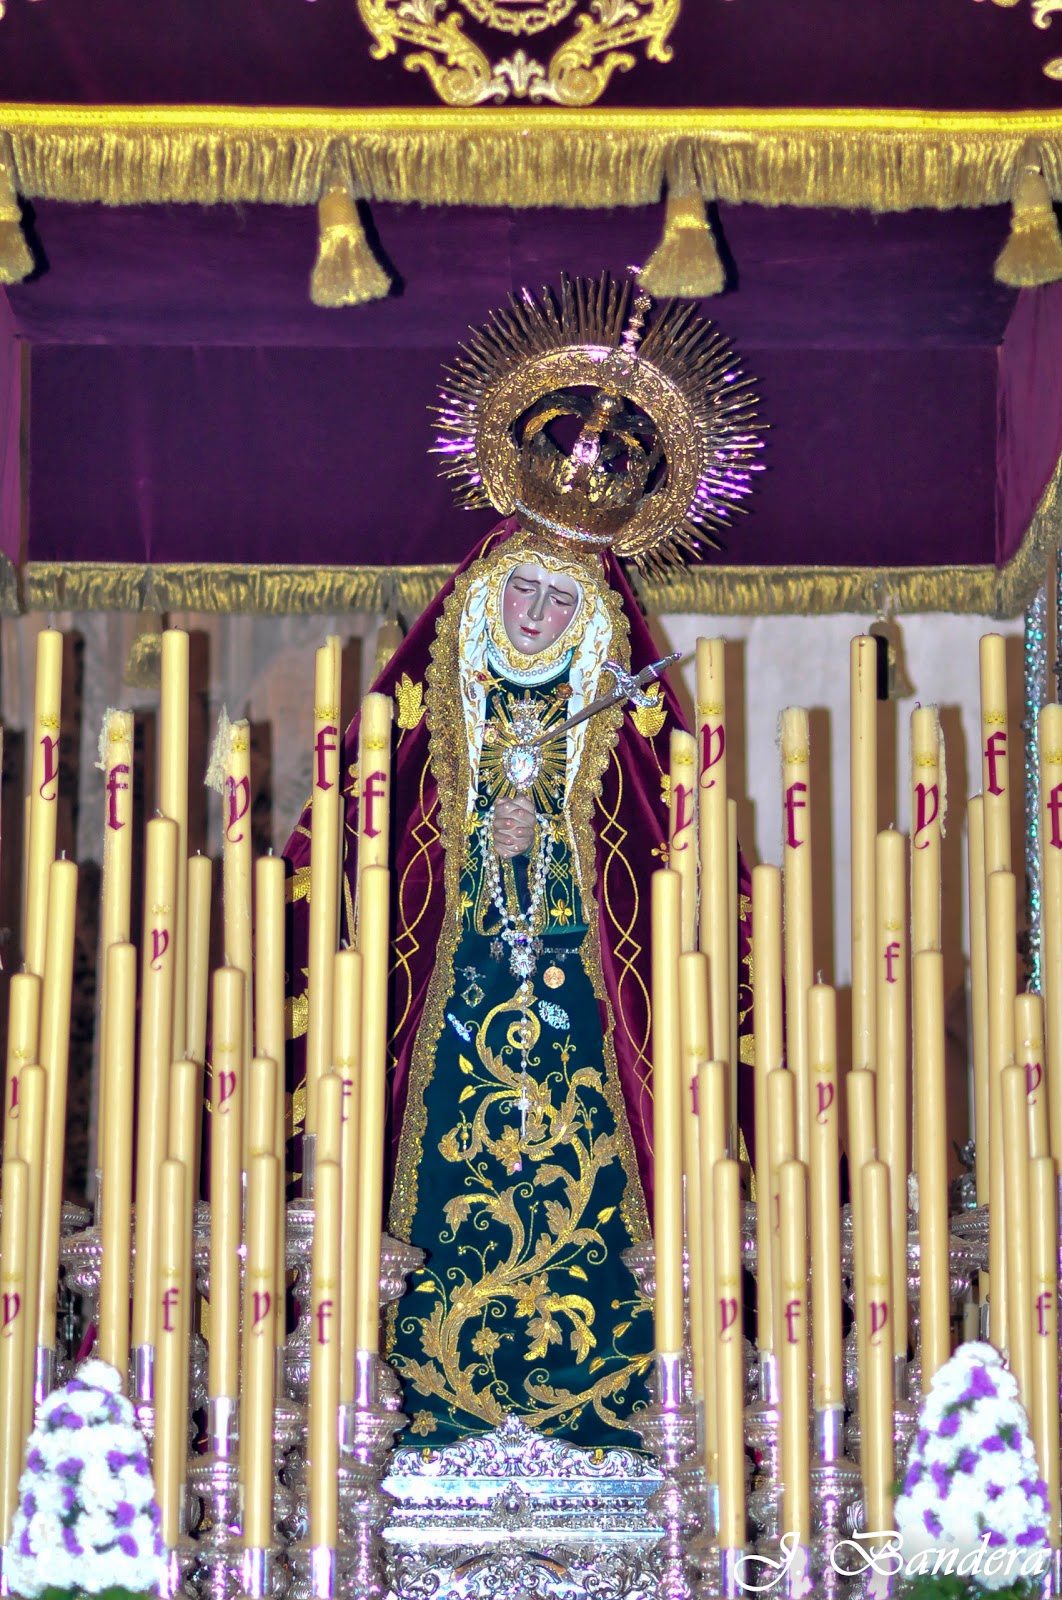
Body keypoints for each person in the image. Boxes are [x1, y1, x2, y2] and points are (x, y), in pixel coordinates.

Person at [284, 274, 761, 1449]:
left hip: (584, 1009)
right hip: (445, 1019)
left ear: (594, 618)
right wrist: (468, 828)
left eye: (562, 598)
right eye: (526, 592)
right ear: (488, 598)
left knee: (594, 1179)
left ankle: (625, 1419)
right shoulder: (426, 725)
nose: (540, 614)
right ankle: (407, 1418)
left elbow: (662, 869)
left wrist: (546, 828)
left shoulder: (627, 735)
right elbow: (355, 857)